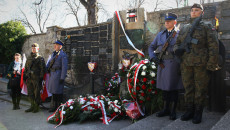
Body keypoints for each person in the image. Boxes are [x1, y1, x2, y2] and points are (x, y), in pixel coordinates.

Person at [174, 4, 219, 124]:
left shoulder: (207, 26)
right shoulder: (184, 28)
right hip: (186, 64)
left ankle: (198, 112)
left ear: (202, 13)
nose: (193, 12)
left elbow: (213, 47)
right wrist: (176, 50)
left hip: (201, 64)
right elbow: (177, 43)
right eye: (192, 10)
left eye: (197, 10)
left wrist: (211, 65)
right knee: (188, 88)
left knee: (200, 89)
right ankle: (189, 110)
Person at [148, 13, 183, 120]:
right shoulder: (160, 35)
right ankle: (165, 109)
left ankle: (173, 111)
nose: (167, 22)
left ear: (175, 22)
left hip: (174, 63)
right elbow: (151, 47)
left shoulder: (179, 34)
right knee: (164, 88)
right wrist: (153, 56)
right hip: (162, 64)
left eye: (169, 21)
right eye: (166, 21)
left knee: (174, 88)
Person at [23, 43, 46, 113]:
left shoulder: (40, 58)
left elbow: (43, 69)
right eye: (32, 48)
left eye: (35, 48)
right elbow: (26, 67)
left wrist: (40, 78)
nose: (33, 49)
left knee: (37, 93)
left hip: (36, 78)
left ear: (37, 49)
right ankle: (32, 106)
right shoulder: (29, 57)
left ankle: (36, 107)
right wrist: (25, 75)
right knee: (30, 93)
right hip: (29, 78)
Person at [47, 40, 68, 112]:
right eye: (54, 44)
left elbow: (64, 67)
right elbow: (49, 63)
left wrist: (62, 77)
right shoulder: (53, 54)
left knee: (58, 92)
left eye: (56, 45)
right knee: (53, 91)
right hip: (52, 74)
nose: (54, 46)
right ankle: (53, 106)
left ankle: (58, 107)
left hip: (58, 75)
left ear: (60, 46)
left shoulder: (62, 54)